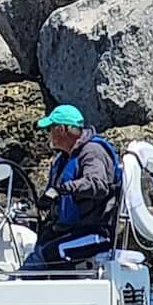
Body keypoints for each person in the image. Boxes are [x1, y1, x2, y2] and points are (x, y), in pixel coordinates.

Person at [21, 103, 121, 270]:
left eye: (50, 129)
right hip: (68, 229)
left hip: (95, 233)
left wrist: (62, 190)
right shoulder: (63, 159)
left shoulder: (92, 152)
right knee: (39, 248)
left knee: (52, 253)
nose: (48, 134)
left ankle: (44, 290)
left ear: (61, 129)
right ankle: (19, 284)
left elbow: (98, 184)